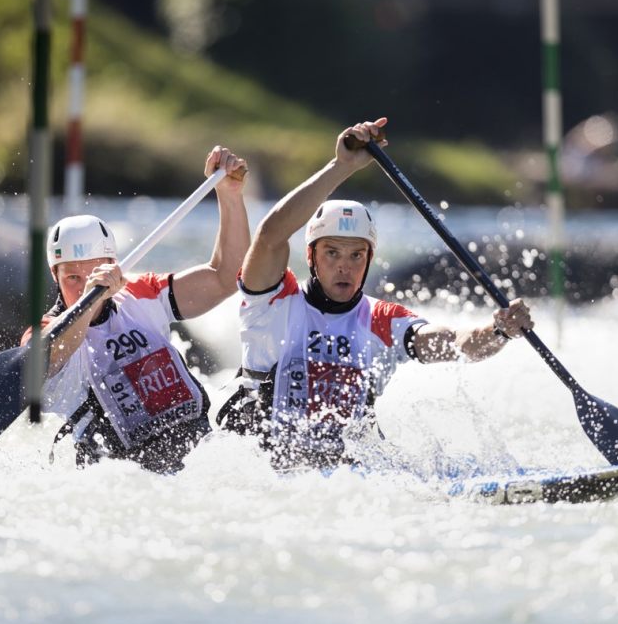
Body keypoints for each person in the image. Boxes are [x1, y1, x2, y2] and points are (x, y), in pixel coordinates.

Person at [216, 118, 533, 470]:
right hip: (259, 472)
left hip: (346, 480)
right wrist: (341, 166)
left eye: (356, 255)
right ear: (311, 257)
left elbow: (457, 343)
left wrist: (499, 331)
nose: (344, 267)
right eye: (332, 253)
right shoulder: (273, 301)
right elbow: (271, 234)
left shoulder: (382, 320)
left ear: (369, 260)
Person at [23, 146, 250, 473]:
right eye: (72, 276)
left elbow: (226, 276)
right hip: (117, 473)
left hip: (194, 452)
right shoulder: (46, 330)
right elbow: (46, 359)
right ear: (54, 277)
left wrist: (229, 195)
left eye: (96, 272)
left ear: (115, 266)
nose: (85, 283)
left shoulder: (142, 292)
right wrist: (90, 302)